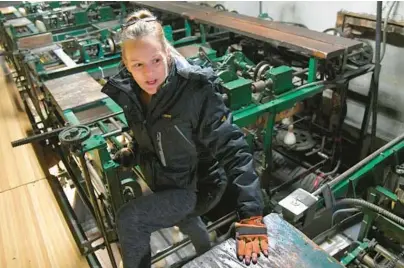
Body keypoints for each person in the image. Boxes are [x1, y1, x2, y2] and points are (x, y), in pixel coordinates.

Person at [101, 9, 269, 268]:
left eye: (156, 60)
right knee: (187, 221)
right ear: (126, 63)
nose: (149, 73)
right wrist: (132, 153)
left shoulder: (195, 93)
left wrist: (251, 215)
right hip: (166, 181)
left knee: (130, 218)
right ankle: (205, 252)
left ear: (166, 53)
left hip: (196, 188)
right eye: (138, 65)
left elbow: (234, 149)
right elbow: (148, 135)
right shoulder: (132, 92)